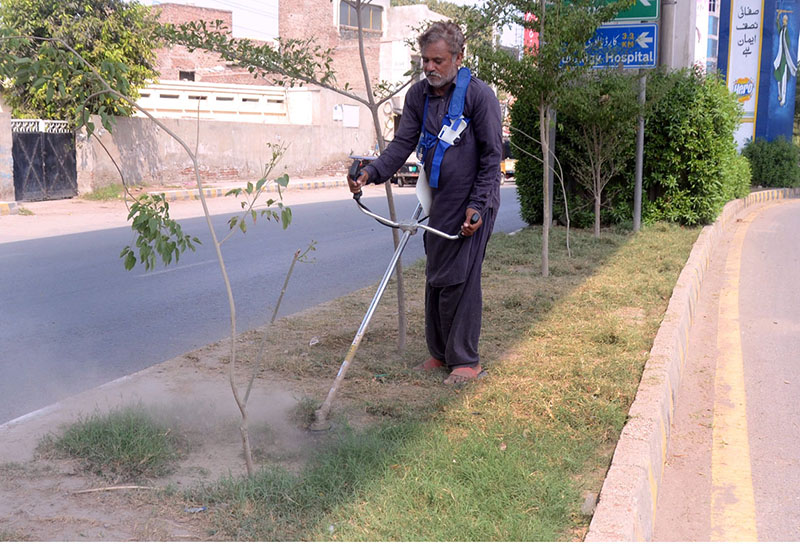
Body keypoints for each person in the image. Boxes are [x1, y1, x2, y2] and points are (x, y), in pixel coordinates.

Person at [347, 21, 502, 385]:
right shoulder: (418, 96)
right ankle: (439, 353)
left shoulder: (480, 97)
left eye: (438, 60)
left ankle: (466, 361)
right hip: (437, 198)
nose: (430, 67)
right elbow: (402, 145)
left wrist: (477, 206)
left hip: (472, 202)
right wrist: (371, 173)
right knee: (436, 275)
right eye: (425, 61)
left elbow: (491, 158)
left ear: (459, 58)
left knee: (460, 279)